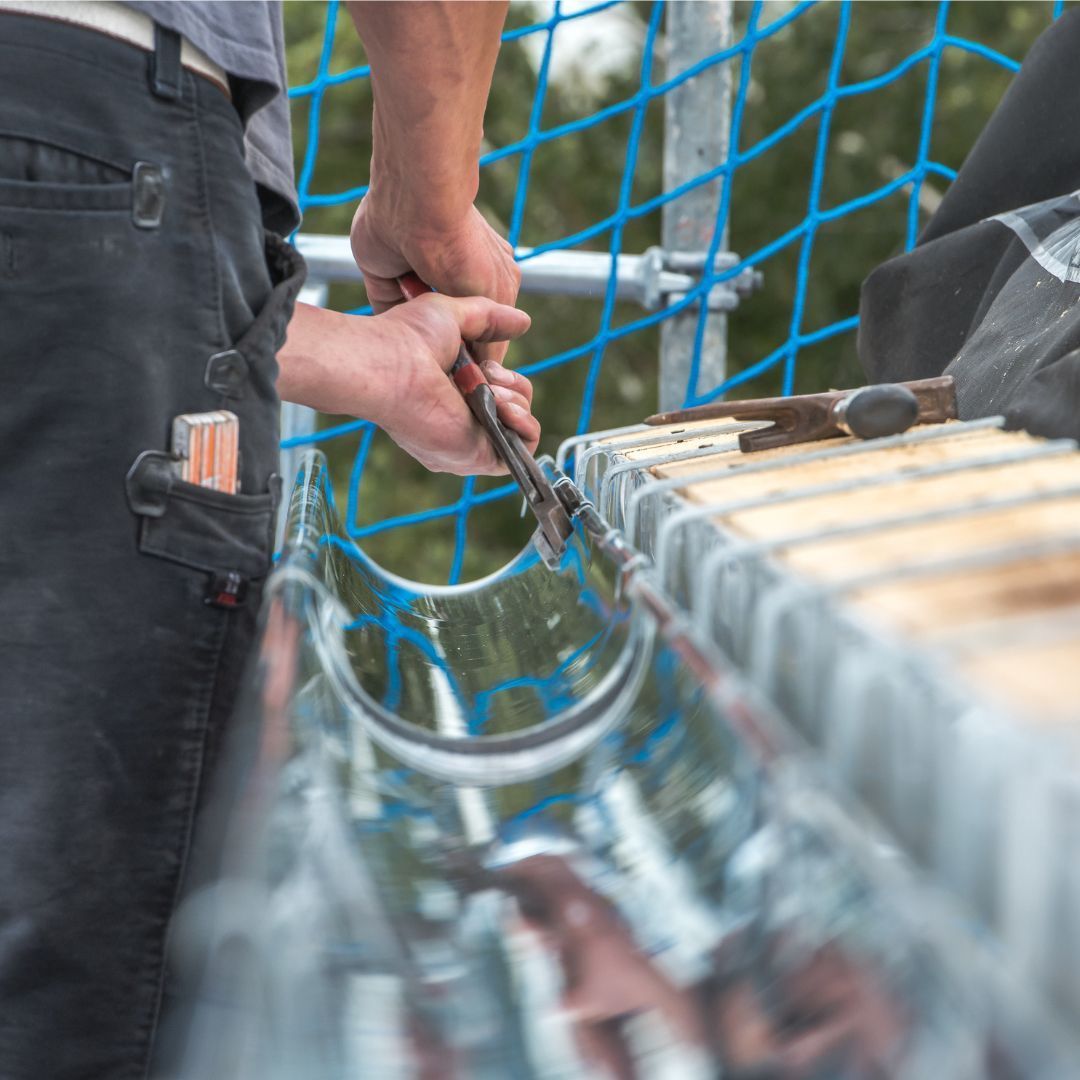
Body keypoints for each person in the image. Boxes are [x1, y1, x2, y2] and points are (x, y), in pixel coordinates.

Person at [0, 2, 528, 1077]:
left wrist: (374, 363)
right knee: (69, 948)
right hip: (81, 86)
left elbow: (110, 297)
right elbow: (72, 242)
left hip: (79, 156)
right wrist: (427, 208)